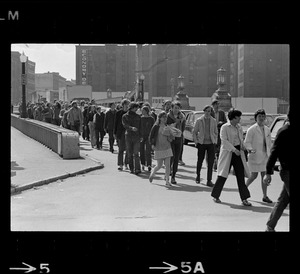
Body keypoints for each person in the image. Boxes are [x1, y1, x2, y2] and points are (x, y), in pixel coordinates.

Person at [211, 108, 252, 206]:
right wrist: (234, 150)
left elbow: (241, 139)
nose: (240, 119)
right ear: (233, 118)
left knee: (240, 176)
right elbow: (224, 141)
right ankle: (215, 195)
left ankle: (244, 198)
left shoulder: (239, 127)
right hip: (228, 152)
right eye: (238, 117)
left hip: (238, 153)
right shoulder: (225, 127)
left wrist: (244, 148)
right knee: (222, 175)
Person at [263, 108, 290, 232]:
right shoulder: (284, 131)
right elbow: (274, 153)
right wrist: (268, 172)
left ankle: (270, 225)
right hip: (288, 171)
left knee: (283, 199)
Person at [244, 109, 273, 203]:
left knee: (264, 175)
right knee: (253, 175)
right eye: (259, 116)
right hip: (255, 155)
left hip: (265, 155)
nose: (261, 118)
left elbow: (269, 143)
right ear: (256, 118)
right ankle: (244, 190)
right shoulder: (251, 129)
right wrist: (251, 150)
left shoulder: (267, 129)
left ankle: (265, 196)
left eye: (263, 116)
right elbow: (247, 142)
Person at [193, 105, 218, 187]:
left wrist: (215, 141)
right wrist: (196, 142)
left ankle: (209, 180)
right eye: (206, 111)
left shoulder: (213, 121)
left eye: (209, 111)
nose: (208, 113)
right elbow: (194, 132)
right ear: (204, 111)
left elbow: (216, 132)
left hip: (211, 144)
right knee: (200, 160)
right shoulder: (199, 120)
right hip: (202, 143)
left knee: (210, 162)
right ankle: (198, 176)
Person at [149, 111, 174, 187]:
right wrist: (152, 144)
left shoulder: (167, 127)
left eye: (166, 117)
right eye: (163, 117)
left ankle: (167, 181)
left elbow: (171, 137)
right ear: (159, 118)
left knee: (167, 165)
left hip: (167, 147)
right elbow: (151, 136)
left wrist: (171, 136)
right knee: (159, 166)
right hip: (159, 148)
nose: (165, 118)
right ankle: (153, 172)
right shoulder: (156, 127)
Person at [166, 101, 186, 184]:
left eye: (178, 108)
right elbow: (165, 126)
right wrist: (175, 124)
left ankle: (173, 176)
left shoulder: (182, 117)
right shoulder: (167, 116)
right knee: (171, 157)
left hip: (178, 138)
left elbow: (183, 127)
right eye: (175, 108)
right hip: (170, 138)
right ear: (172, 108)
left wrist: (178, 132)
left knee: (176, 158)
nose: (176, 110)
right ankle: (167, 174)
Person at [122, 102, 142, 175]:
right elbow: (125, 125)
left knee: (136, 153)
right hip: (128, 136)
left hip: (136, 136)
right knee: (130, 153)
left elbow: (140, 127)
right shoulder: (125, 116)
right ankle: (131, 168)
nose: (137, 109)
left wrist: (141, 136)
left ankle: (137, 169)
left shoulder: (138, 117)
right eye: (135, 107)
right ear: (132, 107)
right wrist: (131, 128)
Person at [211, 99, 227, 171]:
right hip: (212, 132)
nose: (217, 106)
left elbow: (225, 122)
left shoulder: (221, 113)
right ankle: (213, 163)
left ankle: (217, 164)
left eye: (218, 104)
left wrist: (221, 123)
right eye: (216, 105)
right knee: (213, 148)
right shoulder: (210, 113)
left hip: (219, 131)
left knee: (219, 148)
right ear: (213, 105)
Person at [114, 99, 130, 171]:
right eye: (126, 104)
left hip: (128, 133)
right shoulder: (118, 113)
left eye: (128, 105)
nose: (127, 106)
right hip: (120, 133)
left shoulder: (130, 113)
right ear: (123, 105)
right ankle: (120, 164)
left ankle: (126, 163)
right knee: (121, 149)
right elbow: (116, 123)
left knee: (128, 149)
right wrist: (115, 133)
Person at [140, 105, 155, 172]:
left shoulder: (151, 119)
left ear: (146, 111)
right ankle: (142, 163)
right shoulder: (140, 118)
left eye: (143, 110)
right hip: (142, 136)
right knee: (141, 150)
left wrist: (153, 136)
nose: (142, 112)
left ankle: (149, 164)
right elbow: (139, 127)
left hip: (149, 136)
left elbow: (153, 128)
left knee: (148, 151)